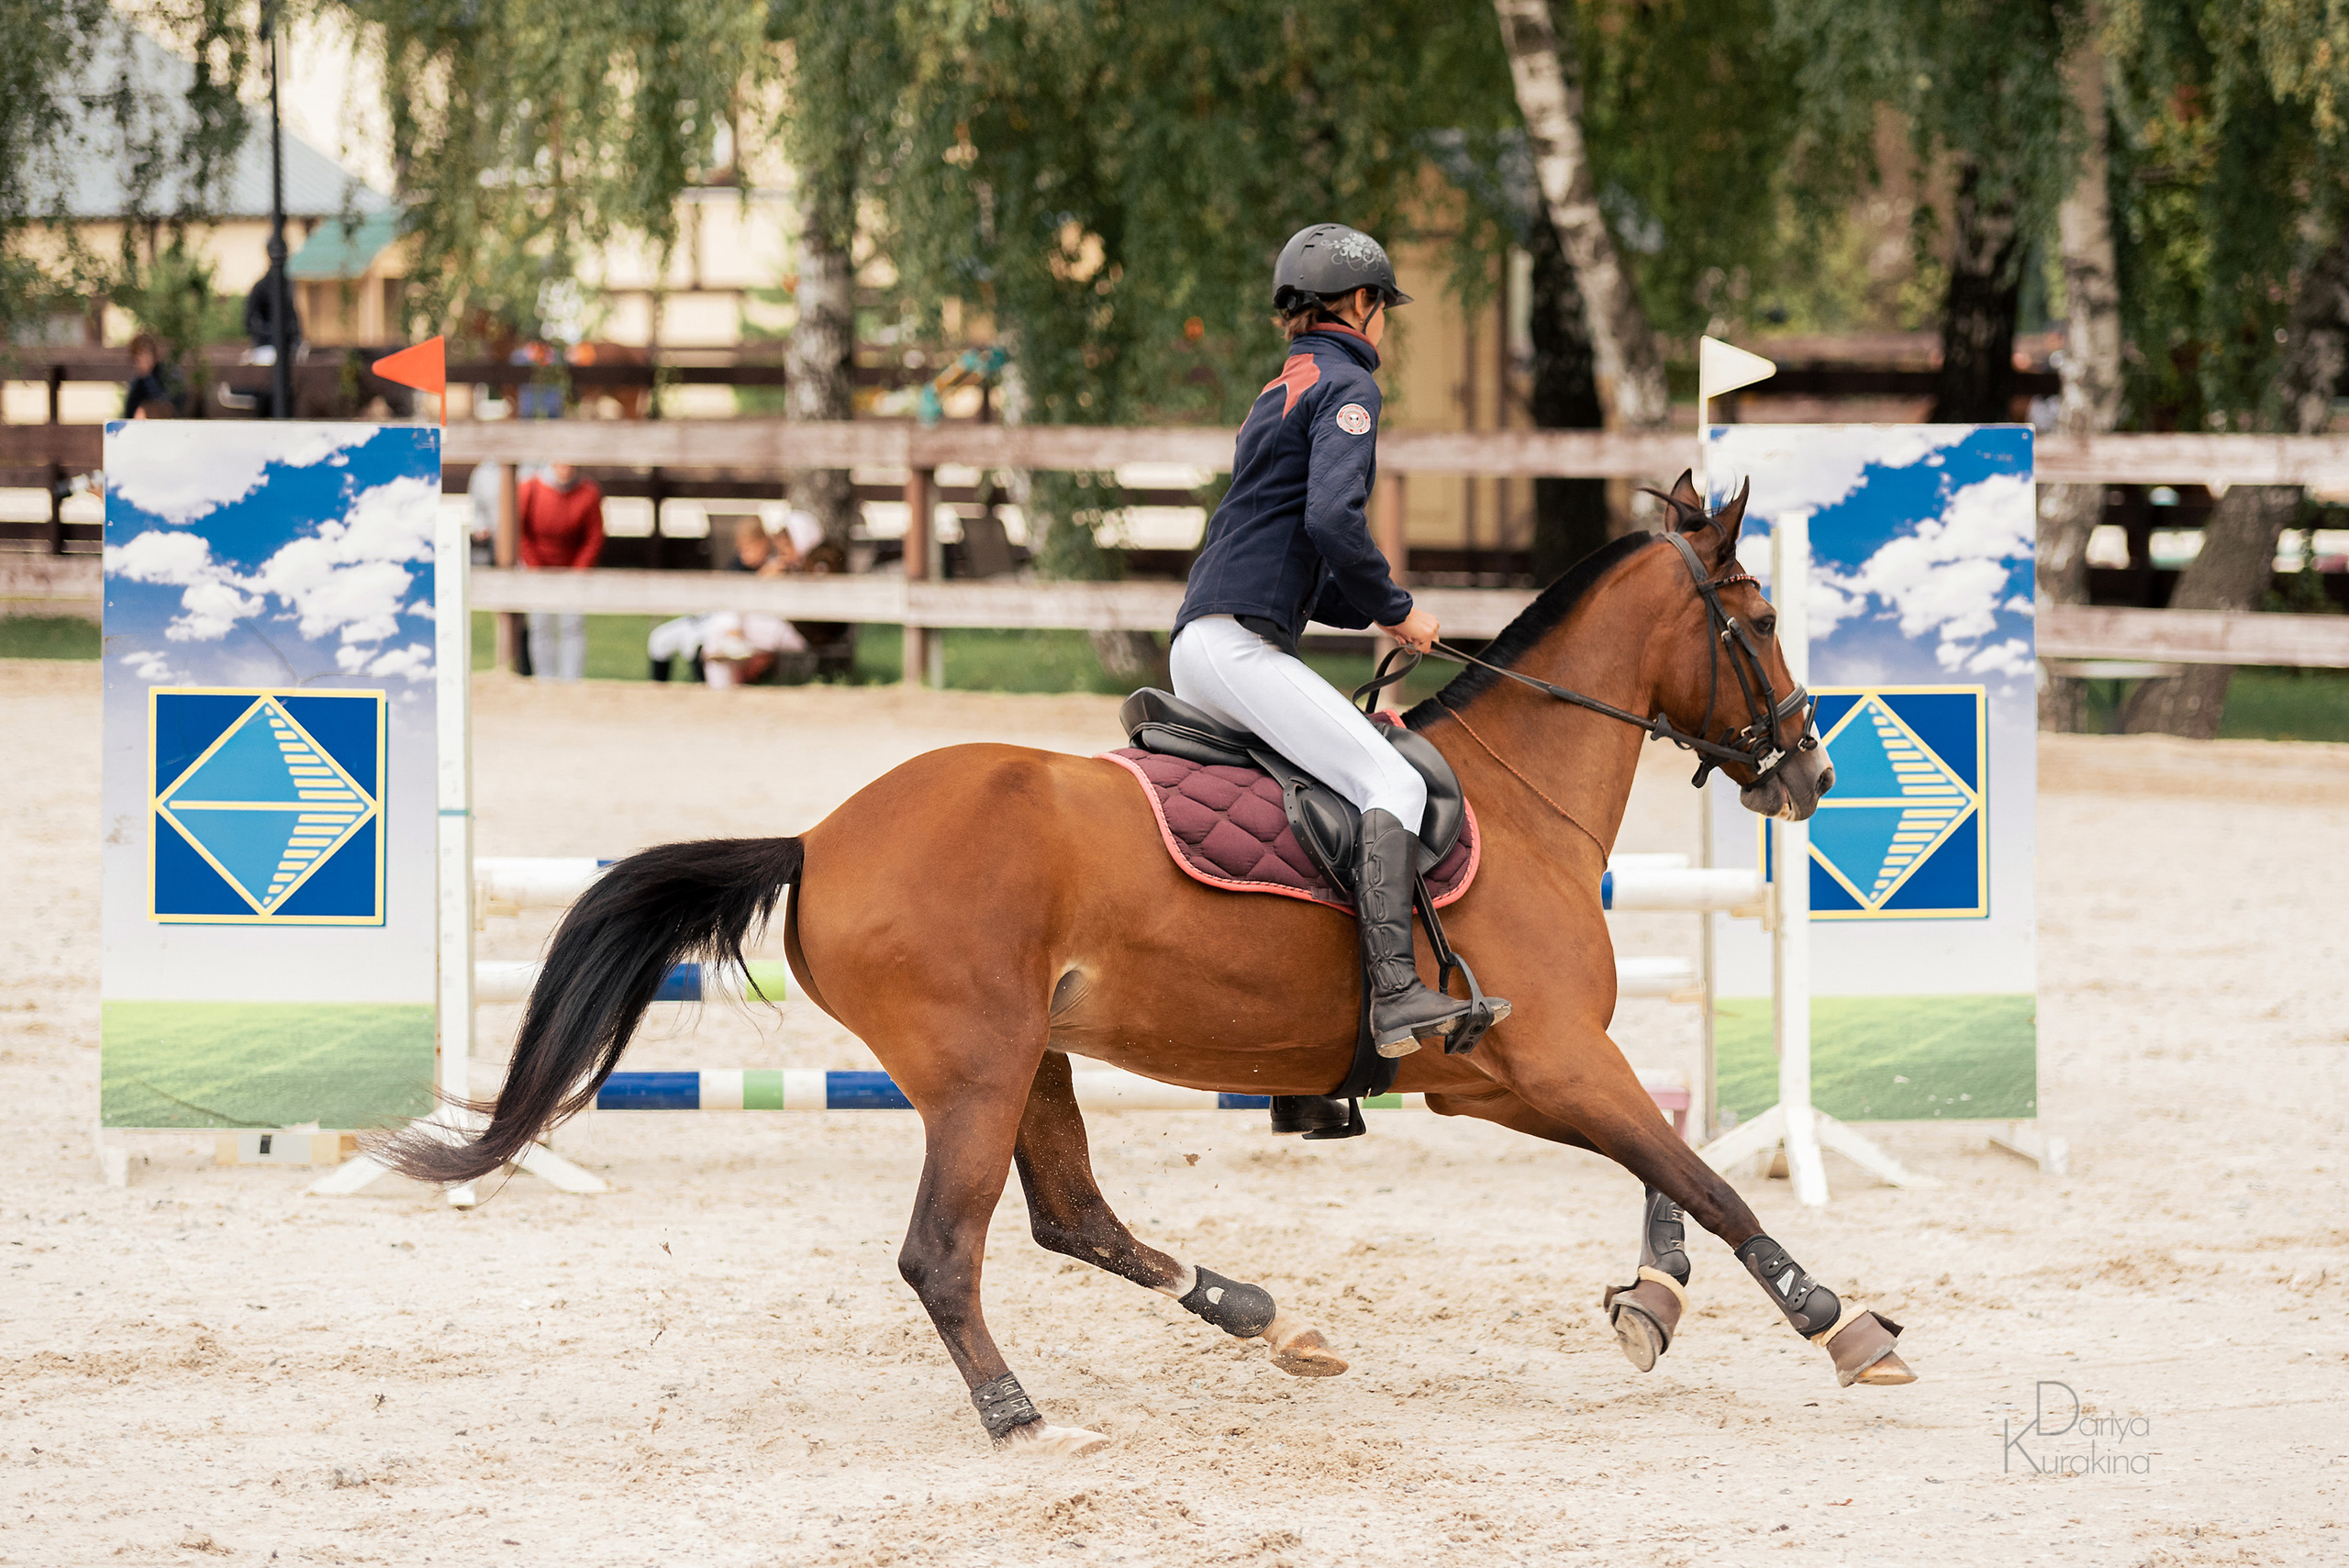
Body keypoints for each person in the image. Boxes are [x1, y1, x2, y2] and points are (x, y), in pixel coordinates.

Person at [1170, 222, 1506, 1072]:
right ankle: (1395, 988)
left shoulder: (1280, 385)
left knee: (1325, 789)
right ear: (1360, 304)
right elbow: (1329, 519)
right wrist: (1397, 604)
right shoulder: (1349, 384)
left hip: (1213, 636)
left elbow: (1290, 546)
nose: (1382, 319)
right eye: (1382, 305)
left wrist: (1368, 613)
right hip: (1237, 647)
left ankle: (1308, 1056)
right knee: (1387, 777)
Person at [516, 462, 605, 681]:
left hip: (573, 569)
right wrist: (535, 567)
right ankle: (544, 680)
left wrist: (578, 571)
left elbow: (594, 536)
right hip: (537, 568)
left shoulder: (588, 493)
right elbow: (520, 531)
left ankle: (570, 681)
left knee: (572, 624)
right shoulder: (530, 488)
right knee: (540, 624)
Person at [121, 335, 182, 420]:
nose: (143, 360)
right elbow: (130, 411)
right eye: (139, 356)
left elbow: (166, 403)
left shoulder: (167, 373)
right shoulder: (138, 381)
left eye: (146, 354)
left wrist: (147, 377)